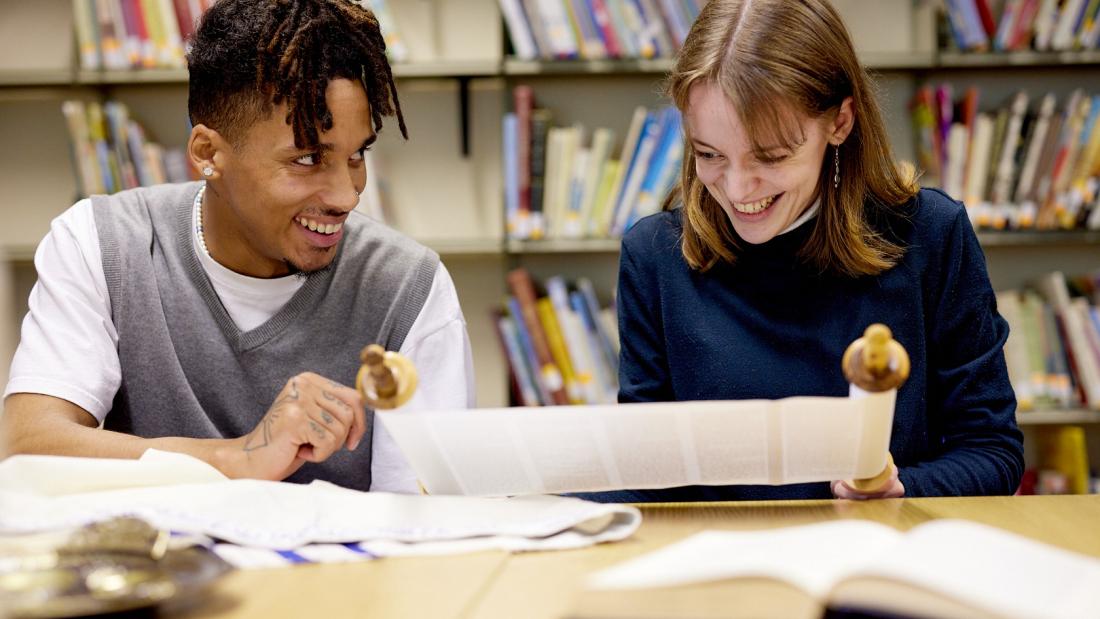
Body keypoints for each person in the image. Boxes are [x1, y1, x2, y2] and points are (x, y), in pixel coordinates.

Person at [0, 0, 474, 494]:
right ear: (209, 154)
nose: (347, 195)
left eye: (357, 154)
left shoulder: (409, 288)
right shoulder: (101, 244)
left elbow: (427, 522)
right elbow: (29, 445)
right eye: (308, 157)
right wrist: (237, 458)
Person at [608, 0, 1023, 500]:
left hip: (879, 558)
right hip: (722, 566)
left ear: (840, 122)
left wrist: (901, 488)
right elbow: (646, 480)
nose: (738, 189)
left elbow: (992, 450)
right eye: (710, 154)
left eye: (771, 156)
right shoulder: (653, 256)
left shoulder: (931, 236)